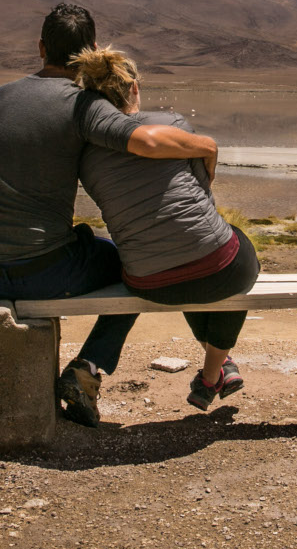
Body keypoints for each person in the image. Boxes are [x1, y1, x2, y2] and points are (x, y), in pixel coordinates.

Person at [0, 2, 218, 428]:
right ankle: (89, 370)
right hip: (41, 270)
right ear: (93, 49)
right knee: (139, 268)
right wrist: (206, 147)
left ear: (41, 47)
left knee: (109, 254)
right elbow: (146, 142)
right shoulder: (82, 106)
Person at [69, 46, 259, 411]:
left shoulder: (86, 156)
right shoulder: (171, 126)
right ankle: (213, 371)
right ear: (134, 89)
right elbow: (202, 191)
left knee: (181, 260)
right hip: (217, 269)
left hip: (150, 283)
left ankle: (219, 371)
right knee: (229, 255)